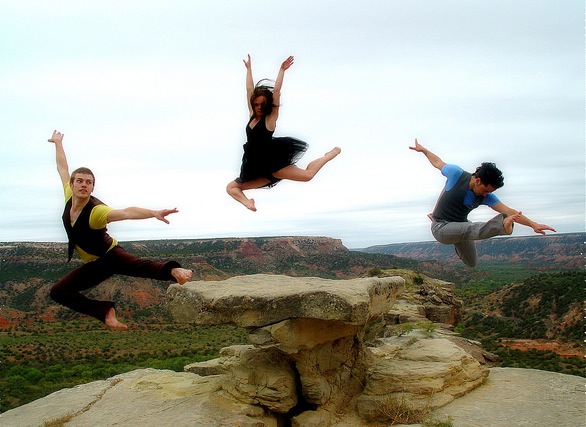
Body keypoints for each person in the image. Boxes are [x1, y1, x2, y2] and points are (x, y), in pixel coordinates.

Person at [47, 130, 193, 330]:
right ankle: (105, 311)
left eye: (88, 182)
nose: (83, 185)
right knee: (58, 292)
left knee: (140, 266)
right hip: (94, 264)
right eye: (79, 181)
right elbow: (62, 167)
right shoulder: (67, 197)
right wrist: (58, 143)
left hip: (110, 255)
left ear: (92, 188)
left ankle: (175, 271)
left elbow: (126, 212)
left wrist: (154, 212)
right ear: (71, 185)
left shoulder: (96, 212)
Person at [409, 138, 556, 267]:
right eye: (486, 190)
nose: (486, 195)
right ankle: (502, 226)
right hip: (440, 227)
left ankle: (455, 234)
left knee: (471, 262)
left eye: (490, 192)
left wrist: (533, 225)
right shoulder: (456, 174)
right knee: (471, 228)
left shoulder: (486, 196)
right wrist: (424, 150)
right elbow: (438, 162)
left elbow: (510, 211)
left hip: (458, 226)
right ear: (478, 180)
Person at [226, 54, 341, 211]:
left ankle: (328, 156)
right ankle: (248, 202)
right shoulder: (252, 115)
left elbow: (277, 92)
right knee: (231, 188)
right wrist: (249, 69)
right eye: (256, 104)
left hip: (274, 165)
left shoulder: (270, 119)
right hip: (256, 169)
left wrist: (282, 70)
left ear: (267, 105)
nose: (259, 107)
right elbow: (248, 90)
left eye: (262, 104)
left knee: (308, 176)